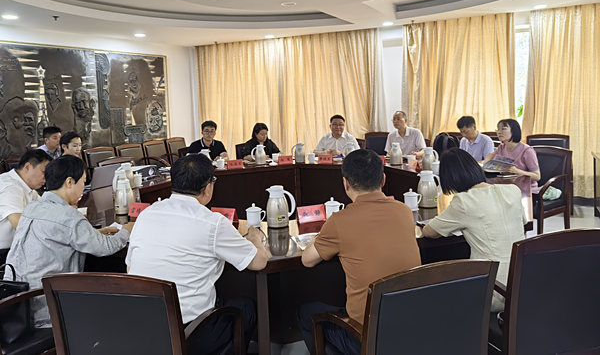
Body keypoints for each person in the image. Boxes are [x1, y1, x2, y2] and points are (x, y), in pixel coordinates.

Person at [126, 154, 268, 355]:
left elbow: (130, 268)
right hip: (187, 334)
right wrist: (255, 238)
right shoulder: (213, 222)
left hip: (141, 329)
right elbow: (259, 262)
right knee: (246, 308)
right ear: (207, 188)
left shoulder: (146, 214)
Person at [298, 150, 421, 355]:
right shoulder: (405, 211)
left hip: (366, 337)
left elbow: (307, 260)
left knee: (306, 312)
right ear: (383, 179)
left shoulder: (340, 221)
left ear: (345, 184)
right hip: (409, 328)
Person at [5, 155, 132, 327]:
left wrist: (95, 232)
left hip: (17, 305)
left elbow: (60, 233)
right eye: (83, 182)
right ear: (70, 182)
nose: (83, 189)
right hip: (47, 308)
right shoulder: (68, 215)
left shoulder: (32, 208)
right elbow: (105, 247)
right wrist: (126, 231)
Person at [423, 148, 526, 312]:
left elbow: (429, 232)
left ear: (450, 179)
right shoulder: (512, 190)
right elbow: (523, 221)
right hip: (523, 285)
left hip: (492, 290)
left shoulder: (464, 201)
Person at [0, 150, 52, 262]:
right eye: (44, 172)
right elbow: (19, 224)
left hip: (16, 248)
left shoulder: (27, 187)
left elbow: (47, 209)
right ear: (28, 167)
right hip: (4, 254)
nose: (46, 178)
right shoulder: (10, 187)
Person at [483, 118, 541, 193]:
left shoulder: (527, 151)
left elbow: (537, 176)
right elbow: (489, 161)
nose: (499, 132)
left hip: (526, 190)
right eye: (498, 129)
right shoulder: (501, 147)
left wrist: (517, 171)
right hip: (507, 187)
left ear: (513, 131)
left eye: (503, 129)